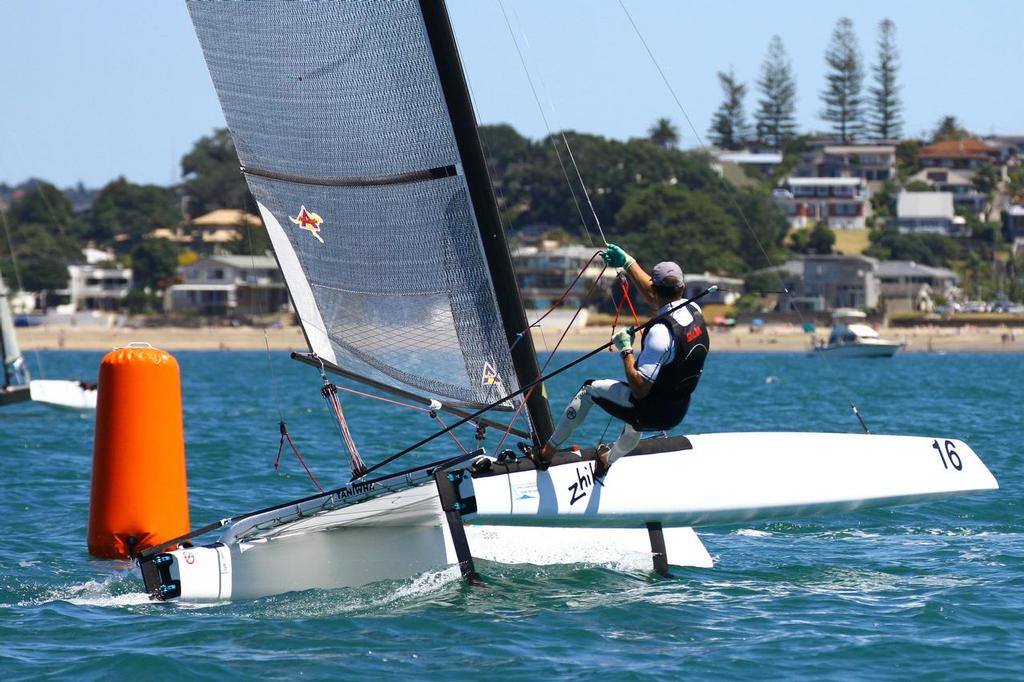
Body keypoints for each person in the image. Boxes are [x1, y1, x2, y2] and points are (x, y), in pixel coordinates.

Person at [533, 243, 710, 477]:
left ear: (654, 289)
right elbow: (657, 296)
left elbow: (638, 389)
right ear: (683, 288)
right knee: (632, 421)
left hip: (650, 409)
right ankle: (606, 460)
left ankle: (546, 453)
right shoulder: (694, 311)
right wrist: (627, 261)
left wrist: (625, 349)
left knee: (589, 390)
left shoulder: (660, 333)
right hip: (677, 411)